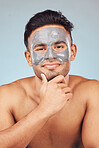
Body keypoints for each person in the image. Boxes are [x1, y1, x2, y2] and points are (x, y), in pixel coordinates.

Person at [0, 9, 99, 148]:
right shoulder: (7, 96)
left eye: (58, 46)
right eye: (40, 48)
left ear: (73, 52)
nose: (50, 55)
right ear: (29, 58)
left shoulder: (92, 92)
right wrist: (44, 109)